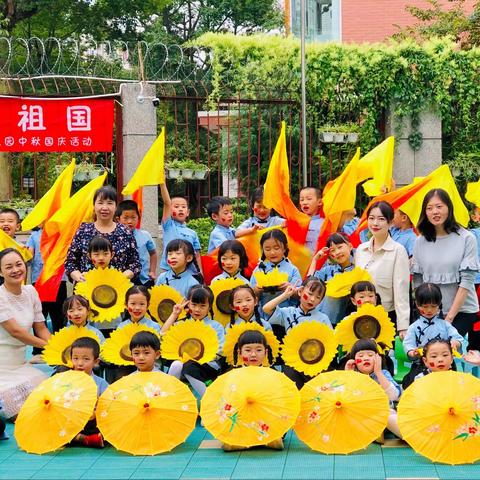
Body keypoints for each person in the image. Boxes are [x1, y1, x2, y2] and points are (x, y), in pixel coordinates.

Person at [412, 188, 480, 350]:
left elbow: (467, 281)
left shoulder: (466, 238)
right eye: (429, 208)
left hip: (462, 310)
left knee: (445, 350)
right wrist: (424, 312)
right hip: (430, 311)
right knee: (432, 355)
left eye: (439, 206)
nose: (434, 211)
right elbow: (418, 282)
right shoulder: (420, 241)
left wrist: (449, 318)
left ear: (449, 208)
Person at [0, 248, 51, 418]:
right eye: (8, 267)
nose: (15, 270)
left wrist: (58, 348)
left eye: (18, 264)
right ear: (1, 272)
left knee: (48, 397)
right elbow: (16, 332)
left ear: (25, 266)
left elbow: (41, 328)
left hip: (21, 365)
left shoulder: (31, 291)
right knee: (18, 412)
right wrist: (47, 346)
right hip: (2, 368)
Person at [263, 277, 332, 389]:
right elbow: (266, 308)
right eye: (309, 294)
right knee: (292, 389)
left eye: (318, 297)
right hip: (292, 361)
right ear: (300, 291)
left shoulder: (323, 318)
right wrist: (285, 295)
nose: (312, 299)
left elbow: (329, 342)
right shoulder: (289, 312)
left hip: (314, 362)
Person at [354, 201, 410, 337]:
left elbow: (401, 290)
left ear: (390, 222)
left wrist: (403, 326)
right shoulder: (361, 249)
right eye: (371, 218)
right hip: (362, 316)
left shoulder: (398, 250)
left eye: (381, 219)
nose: (375, 223)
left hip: (386, 316)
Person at [222, 329, 283, 452]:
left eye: (258, 350)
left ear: (266, 352)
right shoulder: (232, 374)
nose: (253, 354)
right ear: (240, 352)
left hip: (265, 416)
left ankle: (258, 439)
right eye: (248, 350)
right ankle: (257, 441)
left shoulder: (273, 374)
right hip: (241, 415)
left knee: (277, 437)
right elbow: (227, 401)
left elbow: (279, 400)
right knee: (228, 445)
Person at [65, 185, 140, 283]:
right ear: (94, 206)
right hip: (86, 290)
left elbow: (135, 264)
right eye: (100, 203)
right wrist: (79, 276)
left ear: (115, 207)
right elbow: (70, 262)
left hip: (117, 290)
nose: (104, 208)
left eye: (109, 203)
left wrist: (120, 277)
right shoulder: (83, 231)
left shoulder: (125, 232)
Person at [165, 285, 225, 398]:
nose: (197, 309)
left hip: (207, 365)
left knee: (189, 366)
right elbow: (163, 335)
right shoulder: (181, 324)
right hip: (184, 364)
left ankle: (209, 399)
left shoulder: (216, 326)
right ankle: (170, 397)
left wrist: (200, 357)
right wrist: (175, 314)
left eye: (202, 306)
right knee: (177, 364)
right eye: (194, 305)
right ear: (188, 304)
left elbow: (220, 350)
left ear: (209, 307)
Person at [345, 338, 401, 438]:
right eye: (361, 356)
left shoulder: (383, 374)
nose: (366, 358)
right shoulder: (353, 375)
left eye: (370, 355)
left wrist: (378, 373)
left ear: (378, 358)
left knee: (390, 416)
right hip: (361, 417)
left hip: (381, 415)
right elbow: (344, 398)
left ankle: (410, 436)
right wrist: (348, 376)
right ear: (354, 361)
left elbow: (395, 395)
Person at [403, 283, 463, 359]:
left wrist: (455, 343)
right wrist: (413, 353)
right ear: (417, 305)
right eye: (425, 306)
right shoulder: (413, 327)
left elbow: (458, 339)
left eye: (434, 306)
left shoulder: (445, 325)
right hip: (423, 362)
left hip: (445, 362)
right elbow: (408, 345)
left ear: (439, 305)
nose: (429, 310)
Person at [307, 232, 355, 325]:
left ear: (350, 246)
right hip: (323, 319)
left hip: (345, 321)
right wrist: (315, 260)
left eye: (340, 247)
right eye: (332, 250)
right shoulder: (328, 271)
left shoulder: (358, 268)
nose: (337, 252)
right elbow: (309, 283)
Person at [27, 226, 67, 335]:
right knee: (40, 314)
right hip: (40, 280)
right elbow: (29, 257)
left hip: (58, 280)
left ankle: (61, 344)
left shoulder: (63, 234)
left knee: (59, 314)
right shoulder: (34, 236)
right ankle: (39, 348)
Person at [70, 337, 109, 448]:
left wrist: (96, 411)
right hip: (71, 421)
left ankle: (80, 438)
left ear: (96, 362)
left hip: (92, 422)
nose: (80, 363)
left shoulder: (101, 383)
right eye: (75, 358)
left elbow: (109, 407)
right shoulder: (64, 381)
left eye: (86, 359)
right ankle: (84, 439)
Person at [250, 229, 301, 311]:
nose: (272, 253)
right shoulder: (259, 269)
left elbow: (300, 295)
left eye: (276, 248)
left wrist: (290, 288)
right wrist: (256, 290)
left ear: (285, 248)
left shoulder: (292, 269)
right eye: (267, 249)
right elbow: (250, 296)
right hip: (263, 314)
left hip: (286, 313)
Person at [159, 184, 202, 276]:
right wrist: (162, 183)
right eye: (176, 206)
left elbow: (197, 255)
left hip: (189, 272)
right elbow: (167, 202)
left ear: (188, 212)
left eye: (183, 207)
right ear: (169, 210)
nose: (180, 209)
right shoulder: (169, 225)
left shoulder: (192, 233)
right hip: (169, 270)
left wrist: (200, 272)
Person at [116, 200, 158, 288]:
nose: (130, 221)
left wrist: (152, 271)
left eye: (133, 217)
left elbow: (153, 253)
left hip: (145, 279)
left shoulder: (145, 235)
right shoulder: (116, 238)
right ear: (118, 219)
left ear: (138, 218)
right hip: (125, 280)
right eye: (126, 218)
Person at [299, 186, 323, 253]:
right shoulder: (296, 221)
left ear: (319, 202)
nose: (304, 202)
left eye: (309, 199)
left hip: (320, 261)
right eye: (302, 200)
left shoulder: (325, 222)